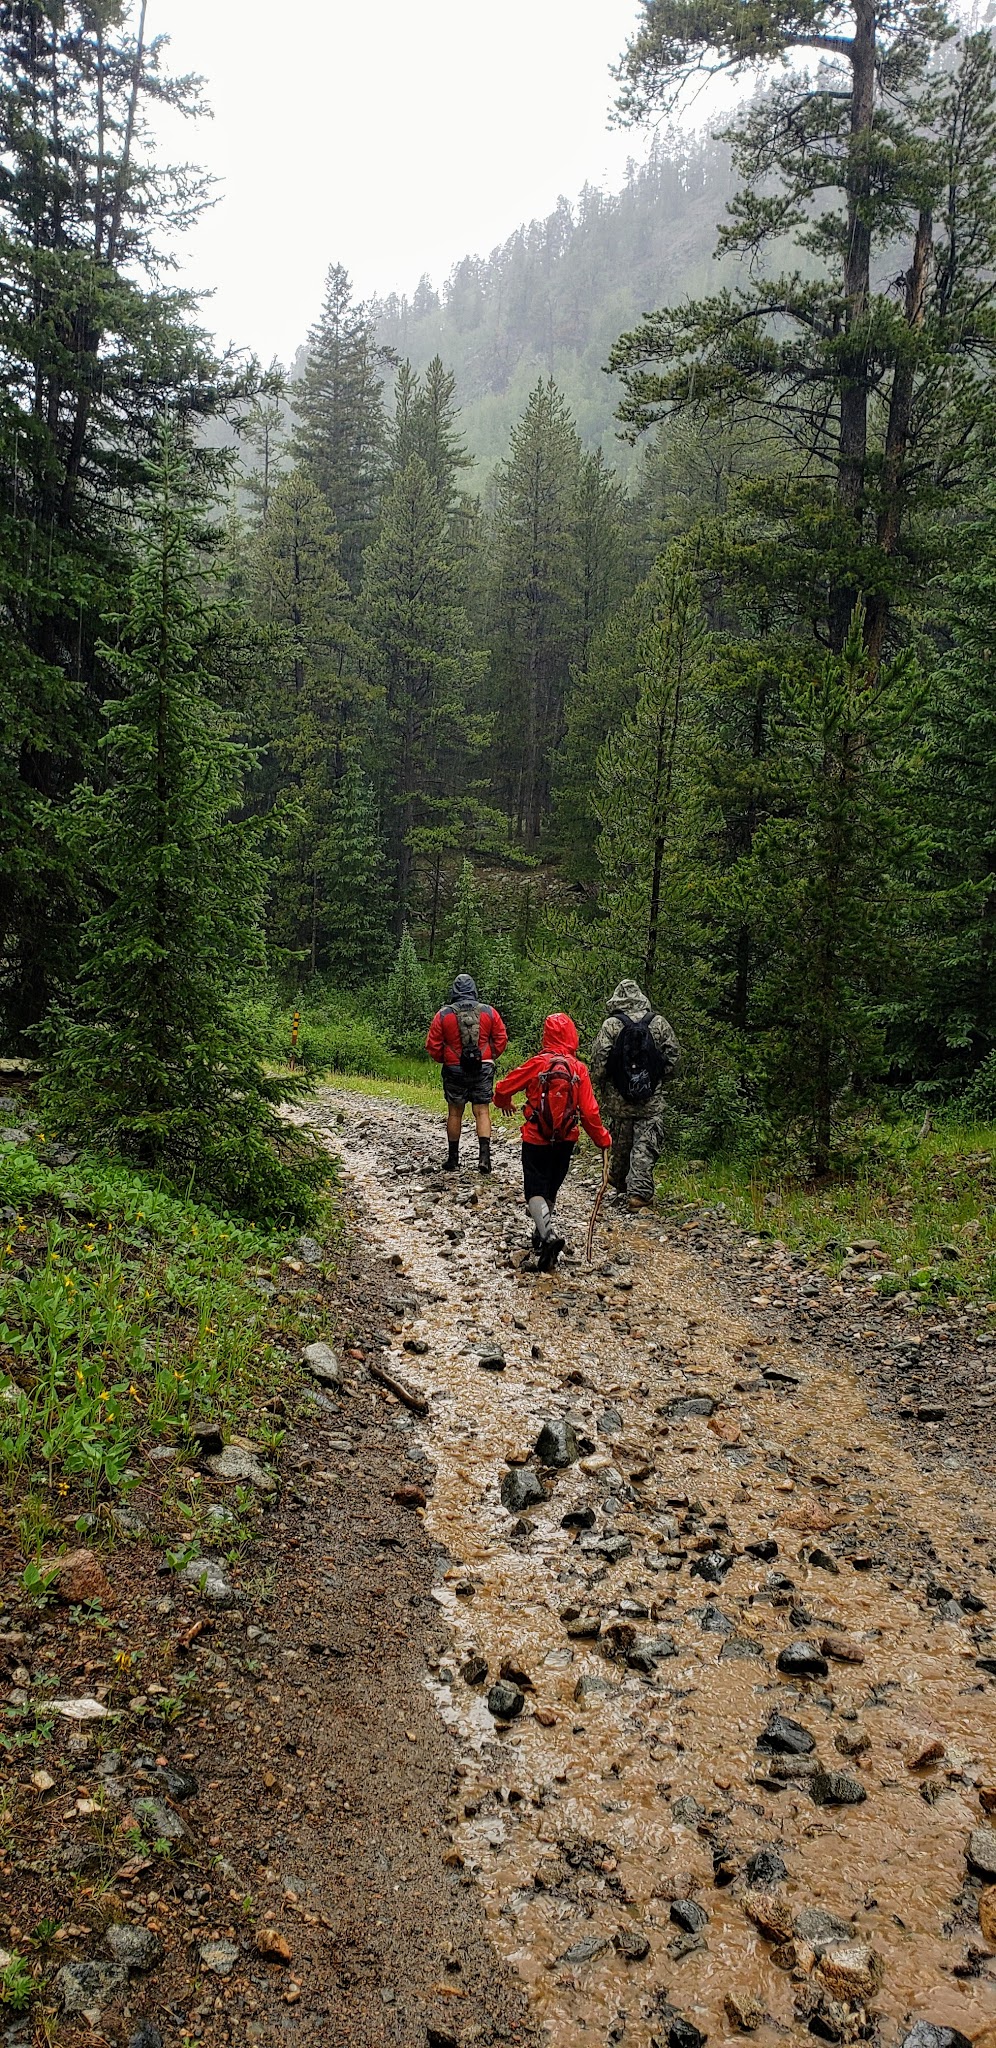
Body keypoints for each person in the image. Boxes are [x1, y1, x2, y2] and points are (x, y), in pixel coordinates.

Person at [495, 1012, 611, 1271]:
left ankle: (547, 1237)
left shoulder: (537, 1063)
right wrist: (603, 1139)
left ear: (546, 1035)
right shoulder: (579, 1069)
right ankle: (541, 1235)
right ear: (572, 1035)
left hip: (536, 1137)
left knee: (535, 1189)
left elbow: (503, 1088)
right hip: (565, 1140)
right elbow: (590, 1112)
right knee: (550, 1188)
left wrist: (504, 1103)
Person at [589, 978, 680, 1211]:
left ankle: (619, 1180)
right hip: (650, 1098)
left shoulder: (611, 1025)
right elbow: (674, 1056)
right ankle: (638, 1193)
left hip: (619, 1099)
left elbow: (599, 1060)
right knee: (645, 1144)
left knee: (621, 1140)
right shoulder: (658, 1023)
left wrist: (603, 1085)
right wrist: (656, 1079)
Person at [426, 972, 508, 1174]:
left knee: (455, 1113)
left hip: (454, 1068)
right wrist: (490, 1055)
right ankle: (485, 1159)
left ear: (454, 991)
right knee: (482, 1111)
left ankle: (453, 1159)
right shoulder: (489, 1012)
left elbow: (433, 1045)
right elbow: (501, 1038)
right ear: (474, 990)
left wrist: (445, 1059)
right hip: (483, 1067)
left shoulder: (443, 1014)